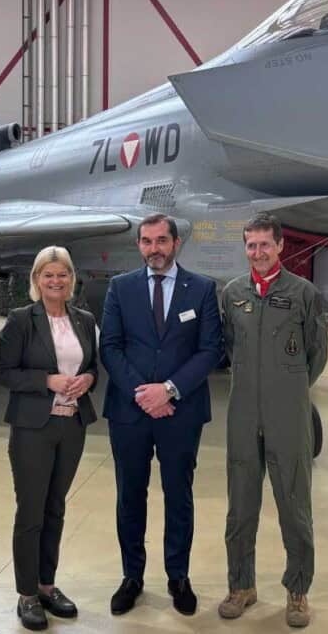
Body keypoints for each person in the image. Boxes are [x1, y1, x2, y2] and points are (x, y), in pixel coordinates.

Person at [99, 212, 223, 617]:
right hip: (130, 413)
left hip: (180, 412)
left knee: (179, 496)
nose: (154, 249)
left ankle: (178, 577)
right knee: (129, 496)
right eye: (147, 242)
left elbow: (210, 350)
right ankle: (131, 576)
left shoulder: (202, 289)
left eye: (161, 241)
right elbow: (111, 348)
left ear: (176, 243)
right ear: (139, 246)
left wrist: (169, 390)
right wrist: (144, 393)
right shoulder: (120, 287)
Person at [217, 213, 328, 628]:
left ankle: (297, 591)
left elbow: (317, 354)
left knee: (295, 505)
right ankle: (241, 586)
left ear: (281, 246)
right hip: (243, 413)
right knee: (240, 507)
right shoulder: (232, 294)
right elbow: (230, 346)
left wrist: (288, 388)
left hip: (288, 414)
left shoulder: (304, 294)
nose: (258, 253)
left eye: (265, 245)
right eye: (251, 245)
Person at [0, 246, 99, 631]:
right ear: (36, 280)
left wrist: (87, 379)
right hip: (33, 429)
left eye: (63, 275)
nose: (56, 281)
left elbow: (91, 367)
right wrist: (46, 381)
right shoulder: (22, 320)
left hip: (71, 426)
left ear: (72, 279)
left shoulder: (84, 320)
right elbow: (2, 372)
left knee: (56, 508)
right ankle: (26, 594)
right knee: (31, 512)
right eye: (48, 275)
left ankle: (47, 585)